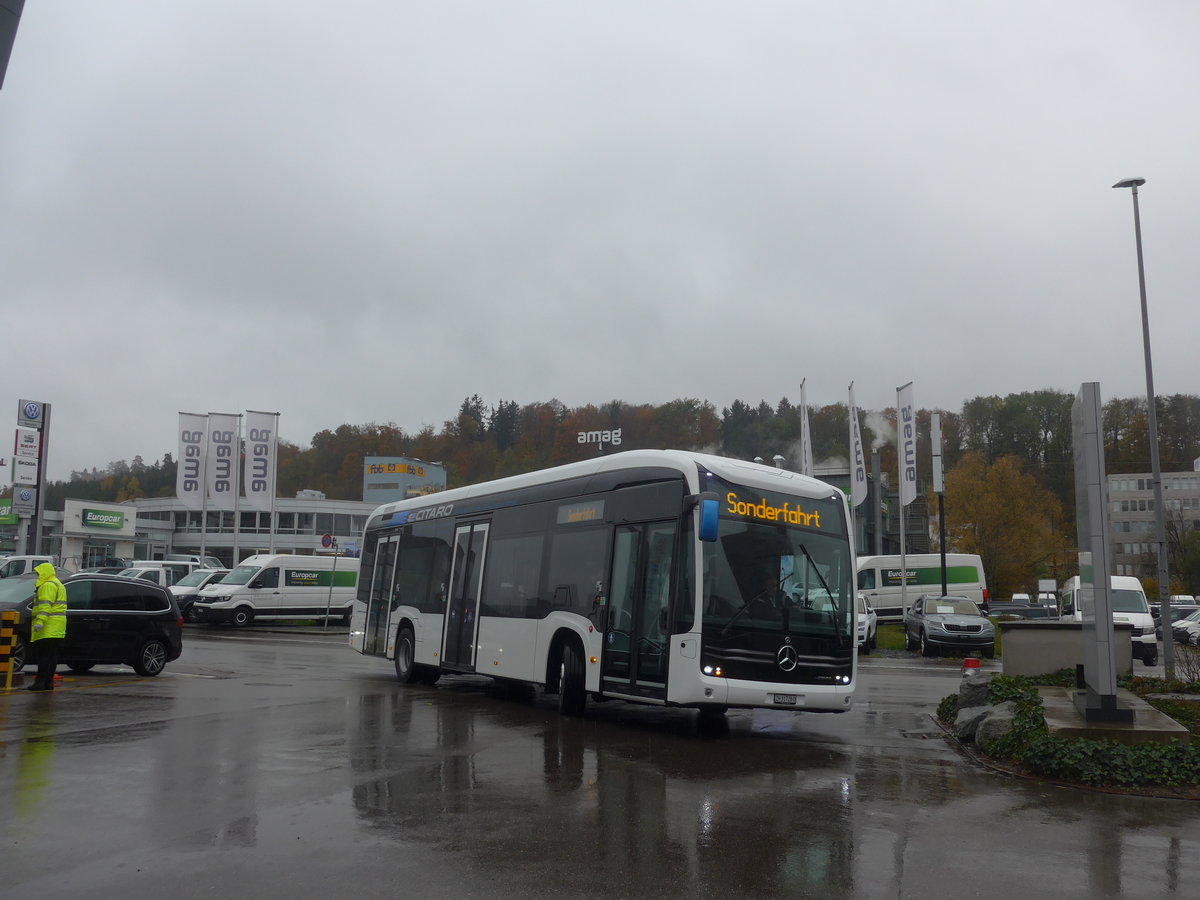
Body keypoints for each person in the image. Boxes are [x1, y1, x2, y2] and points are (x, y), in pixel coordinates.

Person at [28, 562, 67, 692]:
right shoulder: (58, 584)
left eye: (38, 573)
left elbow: (45, 606)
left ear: (44, 572)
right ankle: (48, 683)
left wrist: (40, 622)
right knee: (52, 655)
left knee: (43, 656)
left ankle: (39, 683)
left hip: (47, 626)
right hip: (57, 627)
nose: (37, 575)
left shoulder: (47, 585)